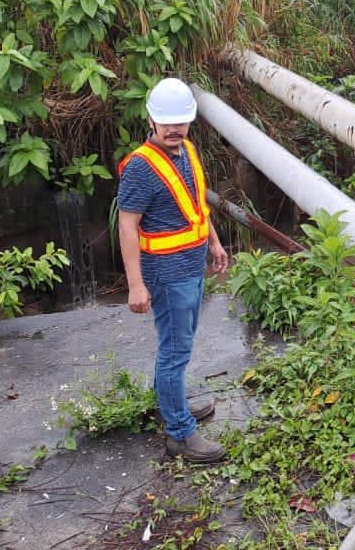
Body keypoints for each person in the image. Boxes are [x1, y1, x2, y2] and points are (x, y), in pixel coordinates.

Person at [117, 77, 230, 463]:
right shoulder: (140, 168)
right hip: (166, 273)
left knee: (180, 345)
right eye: (166, 121)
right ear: (149, 119)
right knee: (175, 350)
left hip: (192, 264)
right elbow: (127, 225)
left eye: (180, 121)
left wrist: (213, 242)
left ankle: (173, 404)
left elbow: (197, 205)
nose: (173, 128)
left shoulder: (187, 151)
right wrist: (135, 284)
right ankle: (179, 433)